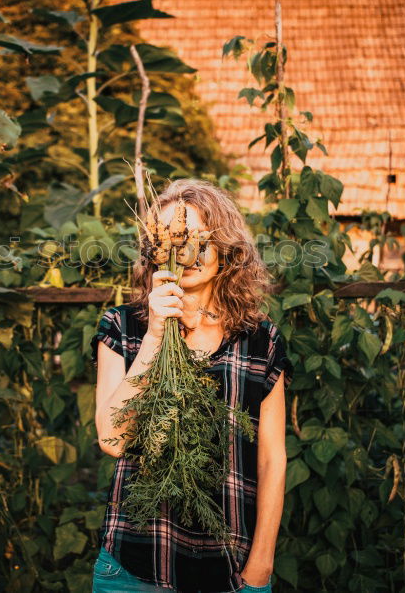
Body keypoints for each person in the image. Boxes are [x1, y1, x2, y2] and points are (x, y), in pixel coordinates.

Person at [92, 179, 292, 593]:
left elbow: (273, 458)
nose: (189, 254)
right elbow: (112, 439)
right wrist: (155, 337)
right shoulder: (123, 326)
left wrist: (262, 563)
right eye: (175, 240)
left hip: (231, 567)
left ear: (226, 248)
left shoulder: (260, 339)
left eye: (203, 240)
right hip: (135, 564)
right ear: (155, 250)